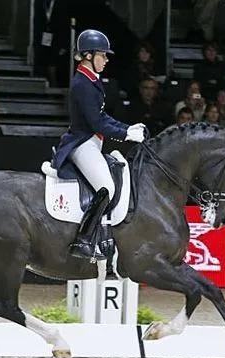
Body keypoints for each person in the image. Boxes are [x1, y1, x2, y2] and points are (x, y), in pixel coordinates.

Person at [52, 29, 145, 260]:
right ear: (88, 55)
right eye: (102, 55)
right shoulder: (82, 83)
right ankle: (83, 241)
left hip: (93, 142)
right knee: (106, 188)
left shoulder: (91, 79)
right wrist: (125, 135)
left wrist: (127, 128)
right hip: (82, 143)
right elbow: (96, 123)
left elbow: (102, 117)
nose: (106, 60)